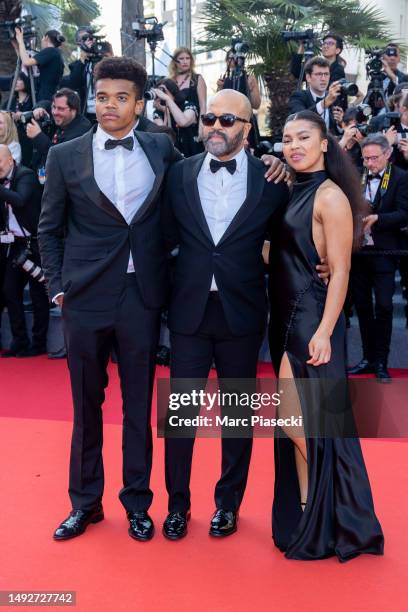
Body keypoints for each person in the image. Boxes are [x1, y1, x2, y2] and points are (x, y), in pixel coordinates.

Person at [160, 91, 325, 541]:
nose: (216, 125)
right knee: (180, 419)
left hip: (242, 313)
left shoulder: (273, 179)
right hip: (189, 311)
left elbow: (298, 231)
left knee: (236, 418)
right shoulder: (178, 175)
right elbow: (162, 235)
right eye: (210, 117)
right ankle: (177, 505)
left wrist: (326, 259)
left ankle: (227, 505)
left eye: (228, 119)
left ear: (247, 129)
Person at [38, 56, 184, 542]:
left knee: (139, 407)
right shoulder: (65, 155)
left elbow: (201, 182)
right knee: (86, 405)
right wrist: (57, 285)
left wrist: (264, 159)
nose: (109, 106)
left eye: (121, 97)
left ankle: (138, 505)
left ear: (139, 105)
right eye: (102, 96)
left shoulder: (162, 149)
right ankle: (84, 504)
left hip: (141, 296)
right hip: (83, 298)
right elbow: (49, 228)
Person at [268, 109, 384, 561]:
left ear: (323, 145)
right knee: (299, 425)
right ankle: (308, 512)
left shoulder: (331, 196)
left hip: (310, 321)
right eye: (286, 138)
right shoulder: (291, 190)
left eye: (303, 138)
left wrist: (325, 332)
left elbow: (341, 272)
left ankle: (337, 515)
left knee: (306, 425)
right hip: (285, 319)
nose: (293, 145)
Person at [348, 134, 408, 382]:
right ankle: (367, 357)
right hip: (359, 253)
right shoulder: (357, 176)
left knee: (383, 307)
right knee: (361, 308)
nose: (369, 164)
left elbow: (405, 213)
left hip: (385, 253)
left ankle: (382, 361)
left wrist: (379, 220)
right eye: (365, 159)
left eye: (374, 158)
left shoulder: (401, 178)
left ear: (387, 155)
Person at [0, 145, 49, 357]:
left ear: (10, 160)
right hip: (16, 244)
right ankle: (19, 341)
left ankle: (38, 344)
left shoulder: (26, 175)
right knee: (9, 291)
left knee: (39, 297)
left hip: (36, 244)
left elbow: (19, 199)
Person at [288, 57, 343, 135]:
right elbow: (301, 119)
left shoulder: (333, 98)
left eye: (326, 74)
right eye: (319, 74)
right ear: (308, 77)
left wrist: (340, 123)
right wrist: (324, 103)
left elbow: (336, 132)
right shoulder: (298, 97)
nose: (323, 79)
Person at [152, 78, 203, 156]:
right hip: (173, 155)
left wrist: (168, 99)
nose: (162, 95)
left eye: (164, 91)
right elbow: (164, 134)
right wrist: (166, 112)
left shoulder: (188, 105)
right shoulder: (158, 112)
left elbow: (183, 122)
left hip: (192, 153)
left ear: (173, 91)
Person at [14, 27, 65, 102]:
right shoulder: (56, 54)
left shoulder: (51, 51)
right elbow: (23, 59)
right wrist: (16, 43)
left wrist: (21, 41)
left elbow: (26, 62)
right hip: (48, 96)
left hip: (44, 98)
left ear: (46, 38)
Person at [4, 72, 33, 167]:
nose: (15, 82)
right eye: (14, 80)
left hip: (26, 140)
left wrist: (21, 116)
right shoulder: (9, 101)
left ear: (25, 81)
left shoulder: (32, 101)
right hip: (11, 140)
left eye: (19, 79)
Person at [168, 46, 207, 115]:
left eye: (187, 58)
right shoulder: (170, 80)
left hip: (192, 122)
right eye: (181, 58)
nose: (185, 61)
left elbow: (203, 105)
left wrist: (201, 125)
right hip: (172, 122)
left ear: (191, 60)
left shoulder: (197, 78)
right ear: (175, 61)